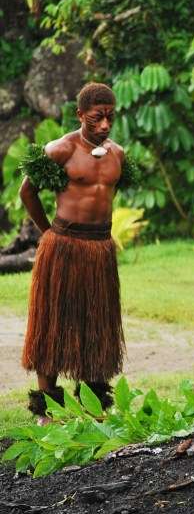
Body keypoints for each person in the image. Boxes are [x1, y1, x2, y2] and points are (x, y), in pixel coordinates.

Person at [19, 82, 139, 424]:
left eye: (109, 118)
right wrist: (47, 235)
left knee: (97, 324)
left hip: (99, 248)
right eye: (96, 118)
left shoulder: (118, 154)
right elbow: (27, 191)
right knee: (53, 323)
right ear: (80, 115)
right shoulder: (62, 149)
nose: (103, 125)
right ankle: (46, 409)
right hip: (64, 245)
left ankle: (96, 404)